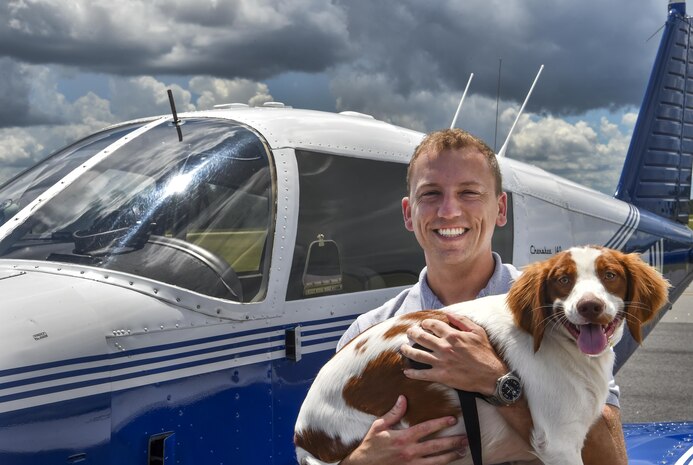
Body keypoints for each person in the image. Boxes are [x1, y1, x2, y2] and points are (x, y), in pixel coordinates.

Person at [335, 128, 627, 465]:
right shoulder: (369, 334)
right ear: (408, 212)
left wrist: (499, 384)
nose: (448, 211)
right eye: (430, 193)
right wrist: (359, 461)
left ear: (501, 209)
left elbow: (610, 457)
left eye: (469, 193)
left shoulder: (560, 315)